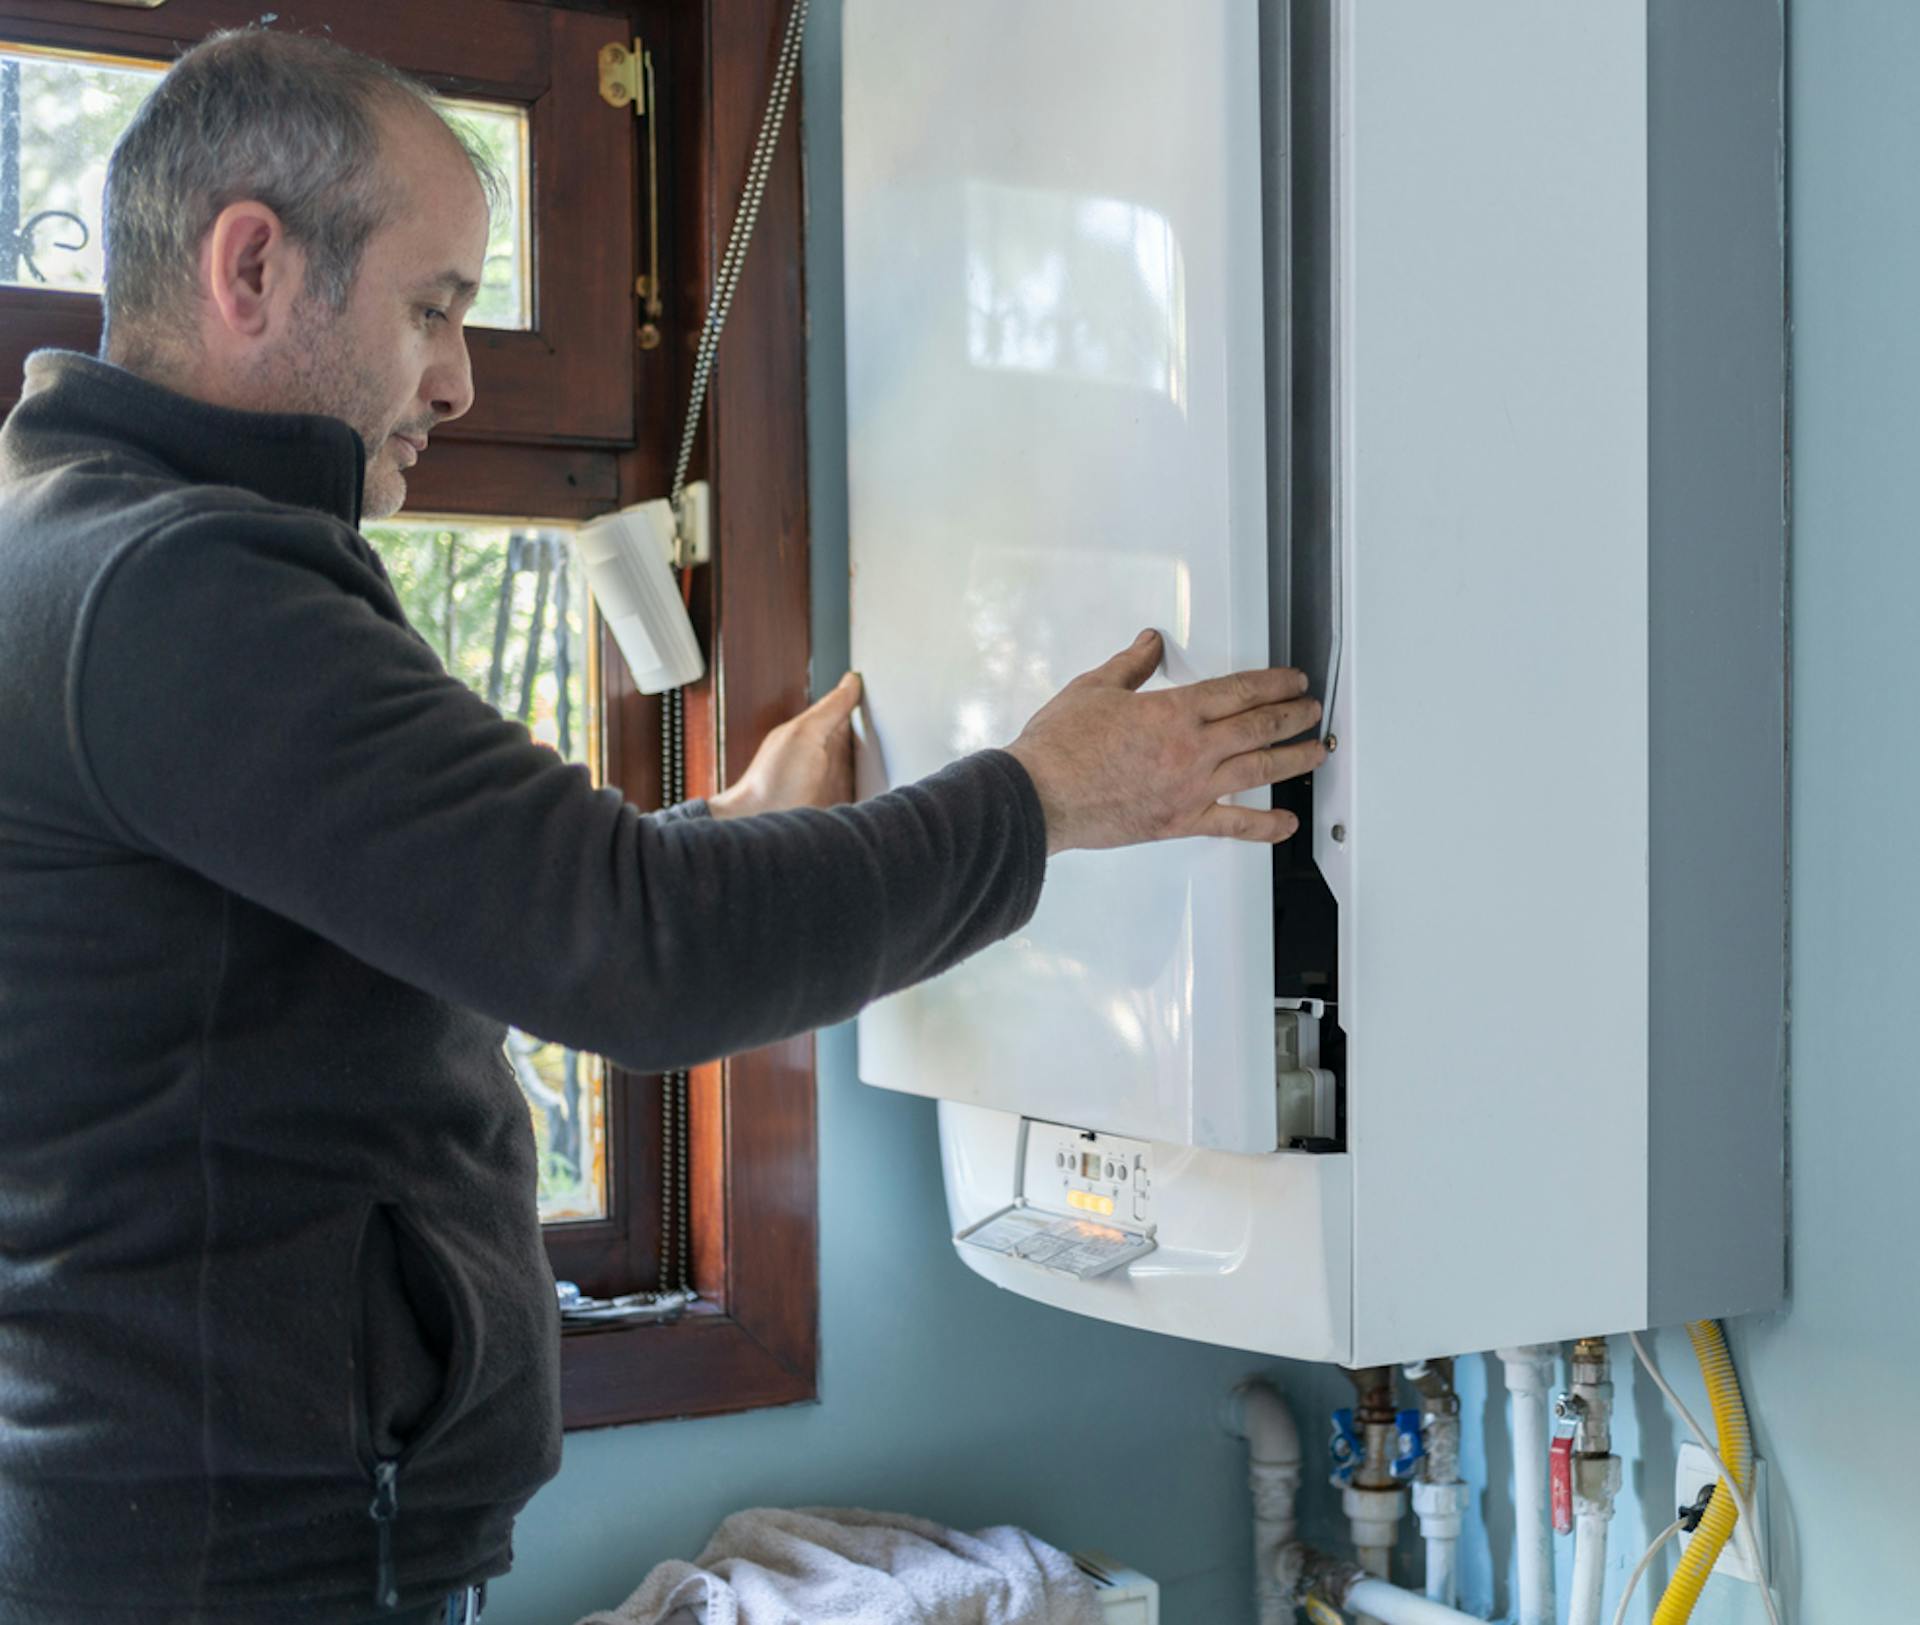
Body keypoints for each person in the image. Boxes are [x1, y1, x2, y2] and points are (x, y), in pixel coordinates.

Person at [0, 28, 1326, 1625]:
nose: (461, 378)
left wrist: (725, 826)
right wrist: (1046, 798)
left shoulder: (92, 556)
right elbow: (629, 952)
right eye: (433, 307)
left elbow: (427, 921)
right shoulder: (177, 588)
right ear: (253, 265)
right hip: (236, 1574)